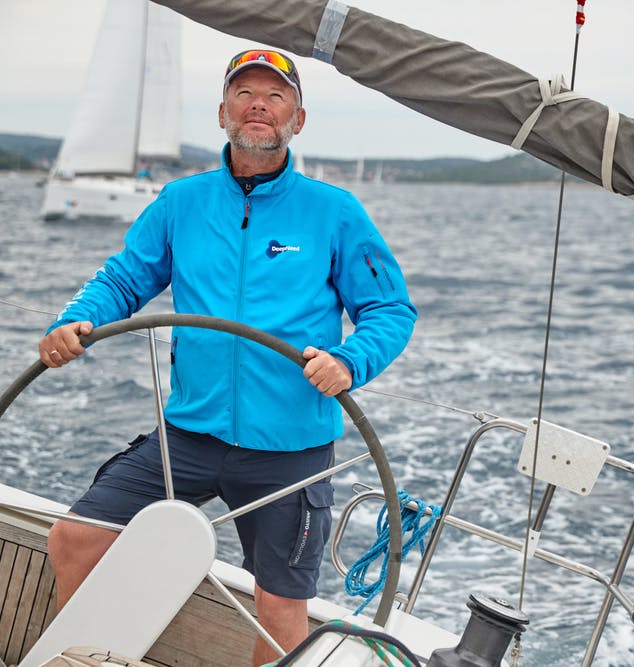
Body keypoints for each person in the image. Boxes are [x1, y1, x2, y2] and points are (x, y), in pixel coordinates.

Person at [39, 49, 417, 666]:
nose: (259, 105)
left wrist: (350, 362)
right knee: (77, 538)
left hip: (288, 451)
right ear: (222, 113)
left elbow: (390, 310)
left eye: (275, 94)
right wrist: (75, 320)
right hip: (189, 434)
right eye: (245, 93)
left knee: (279, 611)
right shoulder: (180, 202)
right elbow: (124, 280)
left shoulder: (335, 212)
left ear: (299, 117)